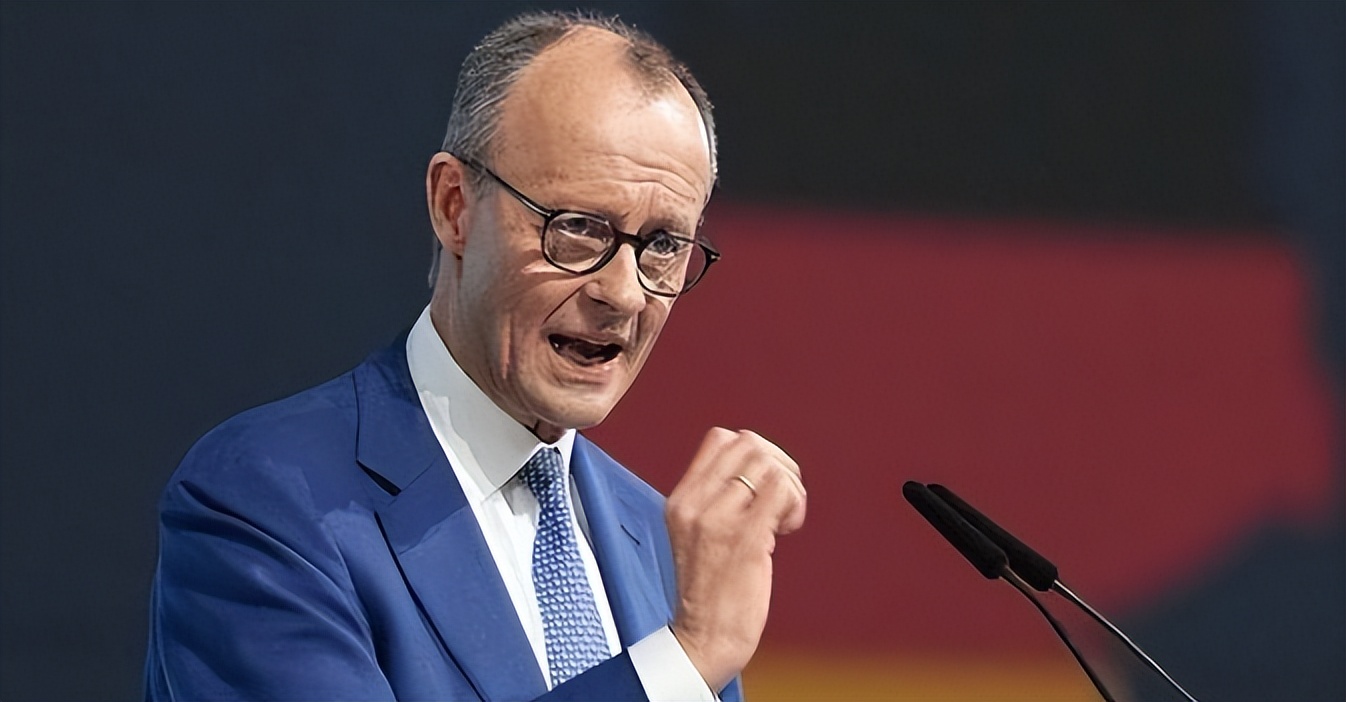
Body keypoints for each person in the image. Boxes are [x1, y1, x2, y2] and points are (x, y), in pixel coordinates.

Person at [143, 10, 806, 701]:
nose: (623, 294)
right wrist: (682, 660)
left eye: (664, 245)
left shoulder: (664, 552)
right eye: (578, 228)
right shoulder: (266, 501)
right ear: (454, 206)